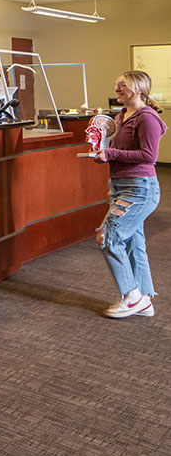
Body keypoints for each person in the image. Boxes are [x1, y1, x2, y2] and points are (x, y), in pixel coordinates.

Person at [94, 70, 166, 318]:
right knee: (135, 242)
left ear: (136, 88)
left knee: (107, 237)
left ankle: (132, 297)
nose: (117, 88)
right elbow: (117, 149)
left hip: (140, 188)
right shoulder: (122, 116)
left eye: (122, 84)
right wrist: (102, 147)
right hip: (120, 186)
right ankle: (144, 297)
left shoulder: (147, 118)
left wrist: (111, 154)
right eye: (116, 83)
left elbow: (149, 156)